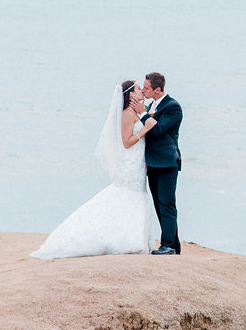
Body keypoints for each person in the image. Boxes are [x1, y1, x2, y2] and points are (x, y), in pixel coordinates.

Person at [31, 81, 158, 259]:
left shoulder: (136, 112)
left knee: (137, 196)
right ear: (130, 95)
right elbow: (126, 142)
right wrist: (145, 129)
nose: (141, 91)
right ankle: (128, 240)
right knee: (128, 194)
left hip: (137, 163)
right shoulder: (127, 114)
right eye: (138, 89)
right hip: (130, 162)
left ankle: (136, 239)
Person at [135, 72, 183, 255]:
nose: (144, 90)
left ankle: (168, 245)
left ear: (157, 89)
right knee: (159, 204)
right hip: (153, 162)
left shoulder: (173, 107)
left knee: (167, 204)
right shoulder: (150, 105)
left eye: (146, 88)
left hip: (167, 162)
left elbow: (158, 130)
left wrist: (142, 113)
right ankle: (174, 245)